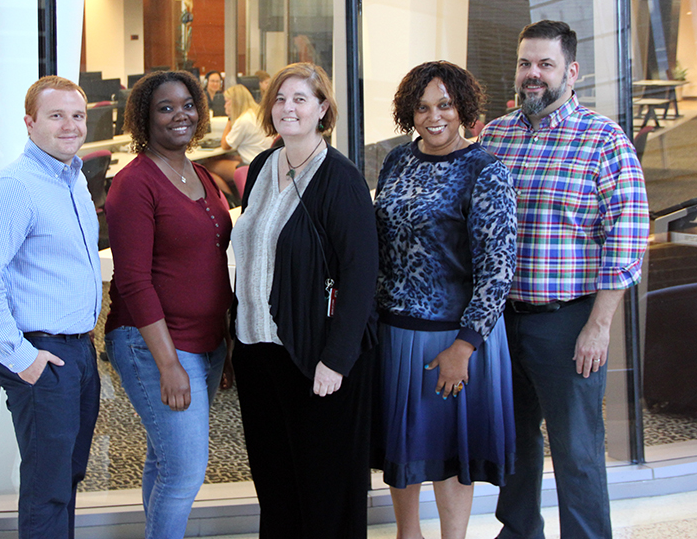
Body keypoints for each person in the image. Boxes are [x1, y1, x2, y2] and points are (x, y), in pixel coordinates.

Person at [479, 20, 649, 539]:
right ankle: (519, 534)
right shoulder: (495, 135)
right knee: (513, 445)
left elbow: (626, 239)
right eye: (525, 63)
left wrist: (599, 327)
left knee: (576, 450)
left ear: (571, 72)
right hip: (503, 322)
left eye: (545, 65)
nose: (533, 75)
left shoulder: (604, 141)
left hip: (569, 322)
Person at [230, 62, 378, 538]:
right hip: (258, 353)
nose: (288, 107)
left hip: (316, 358)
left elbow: (360, 275)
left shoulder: (341, 178)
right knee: (274, 484)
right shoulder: (260, 167)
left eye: (300, 98)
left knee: (325, 490)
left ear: (322, 109)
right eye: (280, 99)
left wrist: (335, 359)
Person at [372, 61, 517, 539]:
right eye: (422, 107)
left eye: (445, 106)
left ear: (463, 110)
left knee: (452, 453)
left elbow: (497, 267)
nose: (433, 117)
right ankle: (406, 535)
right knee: (404, 448)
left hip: (455, 340)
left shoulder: (485, 169)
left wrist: (466, 345)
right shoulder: (397, 160)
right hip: (396, 333)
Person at [0, 76, 102, 539]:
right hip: (44, 355)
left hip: (78, 352)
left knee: (68, 477)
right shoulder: (15, 187)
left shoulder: (73, 179)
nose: (70, 126)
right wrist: (22, 358)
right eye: (56, 115)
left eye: (77, 116)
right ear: (29, 122)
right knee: (48, 489)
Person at [102, 70, 233, 539]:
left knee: (166, 460)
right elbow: (134, 283)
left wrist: (226, 344)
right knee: (184, 473)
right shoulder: (134, 184)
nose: (180, 115)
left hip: (204, 342)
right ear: (144, 117)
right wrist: (168, 364)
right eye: (165, 107)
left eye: (187, 105)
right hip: (155, 345)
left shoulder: (198, 172)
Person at [203, 83, 272, 197]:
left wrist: (230, 119)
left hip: (252, 167)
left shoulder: (243, 120)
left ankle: (231, 200)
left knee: (206, 167)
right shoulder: (257, 114)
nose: (225, 105)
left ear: (234, 102)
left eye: (227, 101)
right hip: (264, 163)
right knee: (227, 158)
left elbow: (225, 145)